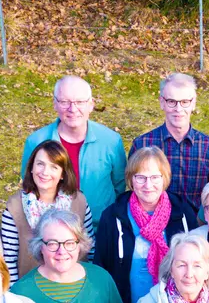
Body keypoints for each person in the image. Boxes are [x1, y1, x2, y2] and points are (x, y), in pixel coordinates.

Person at [94, 146, 199, 303]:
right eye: (140, 177)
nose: (148, 185)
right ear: (131, 179)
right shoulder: (113, 217)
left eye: (155, 177)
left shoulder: (183, 214)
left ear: (164, 178)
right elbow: (101, 267)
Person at [21, 75, 128, 222]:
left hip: (100, 229)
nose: (73, 109)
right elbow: (29, 185)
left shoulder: (111, 141)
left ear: (91, 104)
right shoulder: (36, 141)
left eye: (80, 102)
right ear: (55, 104)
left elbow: (119, 184)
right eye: (65, 102)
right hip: (50, 231)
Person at [0, 140, 94, 284]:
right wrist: (14, 295)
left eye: (54, 167)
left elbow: (90, 250)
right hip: (29, 289)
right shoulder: (14, 207)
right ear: (31, 167)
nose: (45, 172)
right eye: (40, 164)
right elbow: (8, 259)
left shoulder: (79, 202)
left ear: (63, 173)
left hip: (74, 286)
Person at [130, 73, 209, 212]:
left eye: (185, 102)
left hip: (195, 225)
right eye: (171, 102)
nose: (178, 109)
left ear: (193, 103)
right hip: (151, 223)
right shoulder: (142, 145)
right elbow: (134, 186)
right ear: (162, 102)